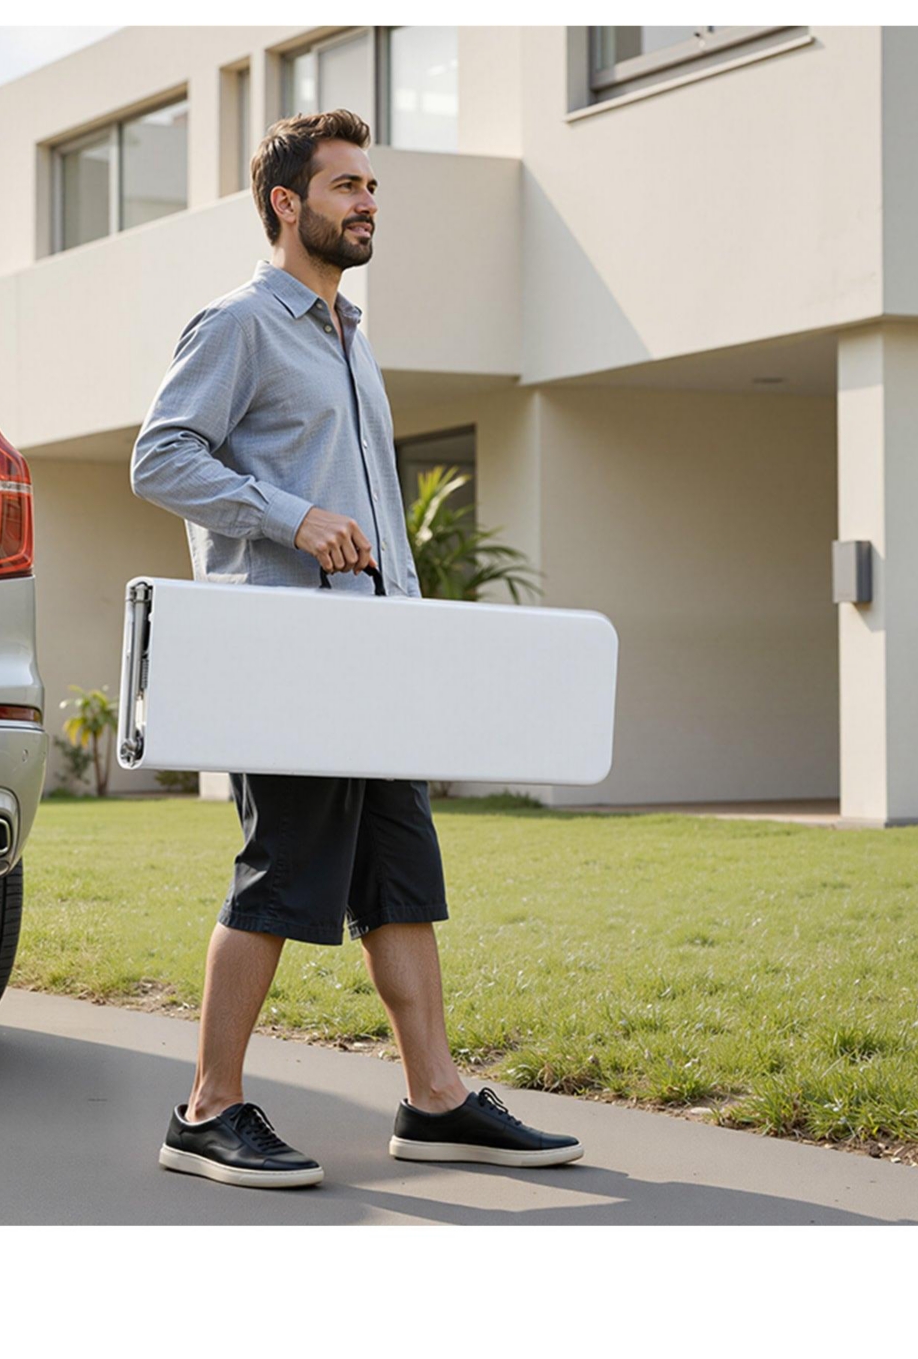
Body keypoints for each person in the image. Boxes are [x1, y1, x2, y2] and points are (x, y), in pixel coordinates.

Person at [130, 109, 583, 1188]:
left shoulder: (349, 334)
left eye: (372, 186)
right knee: (282, 873)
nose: (368, 202)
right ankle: (207, 1109)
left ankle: (435, 1099)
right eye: (347, 186)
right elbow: (160, 457)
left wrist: (413, 634)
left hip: (375, 659)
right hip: (288, 660)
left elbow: (372, 508)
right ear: (286, 203)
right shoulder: (240, 323)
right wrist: (292, 518)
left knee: (399, 876)